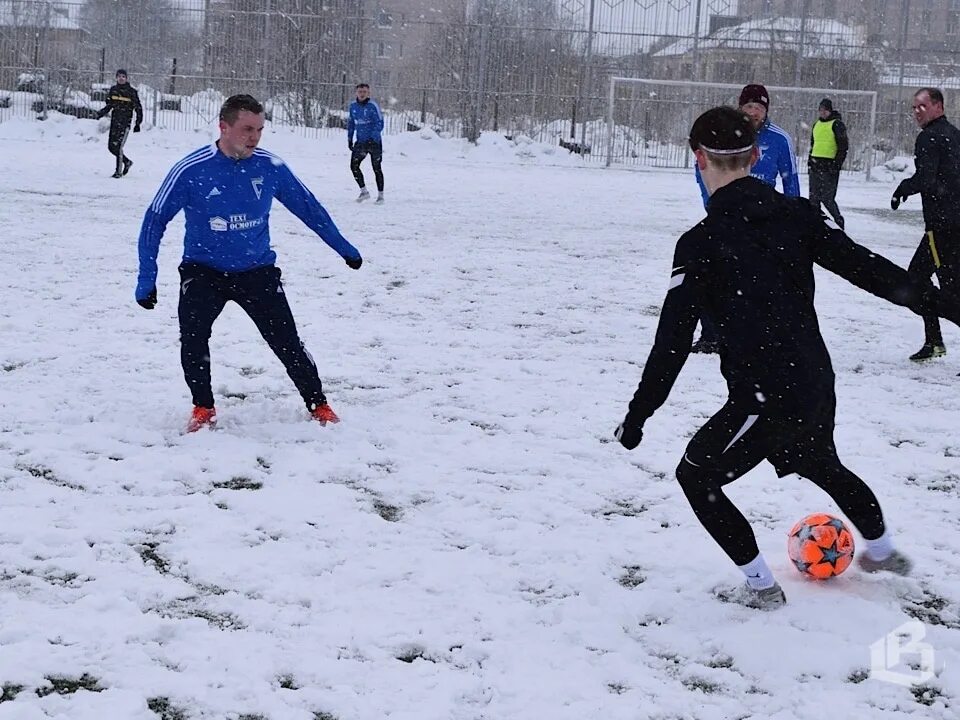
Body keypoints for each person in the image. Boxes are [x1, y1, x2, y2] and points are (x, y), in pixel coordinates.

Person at [615, 106, 960, 610]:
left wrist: (638, 414)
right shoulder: (797, 217)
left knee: (697, 475)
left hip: (766, 394)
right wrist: (949, 306)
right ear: (756, 156)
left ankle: (762, 588)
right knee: (817, 461)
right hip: (814, 379)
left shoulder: (701, 243)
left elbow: (670, 344)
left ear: (697, 158)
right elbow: (879, 275)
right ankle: (882, 553)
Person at [134, 94, 363, 433]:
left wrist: (344, 248)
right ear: (223, 127)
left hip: (257, 271)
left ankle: (319, 403)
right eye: (247, 129)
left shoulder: (270, 167)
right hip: (203, 271)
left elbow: (309, 208)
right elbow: (154, 221)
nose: (254, 137)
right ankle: (203, 407)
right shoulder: (191, 170)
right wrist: (146, 277)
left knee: (287, 341)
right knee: (193, 338)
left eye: (260, 129)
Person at [690, 83, 801, 354]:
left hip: (763, 219)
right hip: (726, 216)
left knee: (763, 279)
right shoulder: (724, 133)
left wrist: (790, 213)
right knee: (712, 273)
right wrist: (713, 204)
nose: (753, 112)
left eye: (759, 107)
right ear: (740, 107)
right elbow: (701, 167)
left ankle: (764, 334)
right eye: (749, 106)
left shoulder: (779, 139)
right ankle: (711, 334)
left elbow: (790, 179)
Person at [891, 87, 960, 362]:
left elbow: (926, 178)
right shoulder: (954, 135)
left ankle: (934, 339)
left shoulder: (930, 138)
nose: (917, 112)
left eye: (923, 106)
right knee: (928, 281)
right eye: (914, 107)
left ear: (938, 107)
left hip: (942, 227)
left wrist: (902, 188)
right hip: (951, 224)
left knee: (926, 283)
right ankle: (934, 341)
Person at [808, 97, 848, 230]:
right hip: (815, 164)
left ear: (830, 111)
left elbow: (843, 146)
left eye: (825, 110)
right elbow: (814, 144)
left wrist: (836, 165)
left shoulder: (837, 124)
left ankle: (838, 221)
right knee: (813, 199)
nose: (823, 113)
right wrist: (810, 160)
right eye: (821, 110)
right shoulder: (816, 124)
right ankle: (816, 222)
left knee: (827, 198)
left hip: (829, 166)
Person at [97, 69, 143, 178]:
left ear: (126, 78)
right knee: (111, 147)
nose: (121, 78)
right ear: (116, 78)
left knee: (118, 147)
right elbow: (110, 105)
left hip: (125, 123)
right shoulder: (113, 90)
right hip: (115, 122)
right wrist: (101, 113)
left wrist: (138, 123)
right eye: (119, 76)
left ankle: (118, 172)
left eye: (123, 76)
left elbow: (138, 108)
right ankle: (127, 162)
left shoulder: (131, 92)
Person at [347, 83, 385, 203]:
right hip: (361, 142)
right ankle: (364, 192)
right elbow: (351, 123)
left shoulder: (373, 106)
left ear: (368, 93)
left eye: (364, 92)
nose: (362, 94)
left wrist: (373, 137)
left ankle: (380, 196)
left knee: (376, 168)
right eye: (360, 92)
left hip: (374, 142)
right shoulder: (353, 106)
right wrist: (350, 138)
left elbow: (379, 123)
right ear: (356, 93)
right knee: (354, 166)